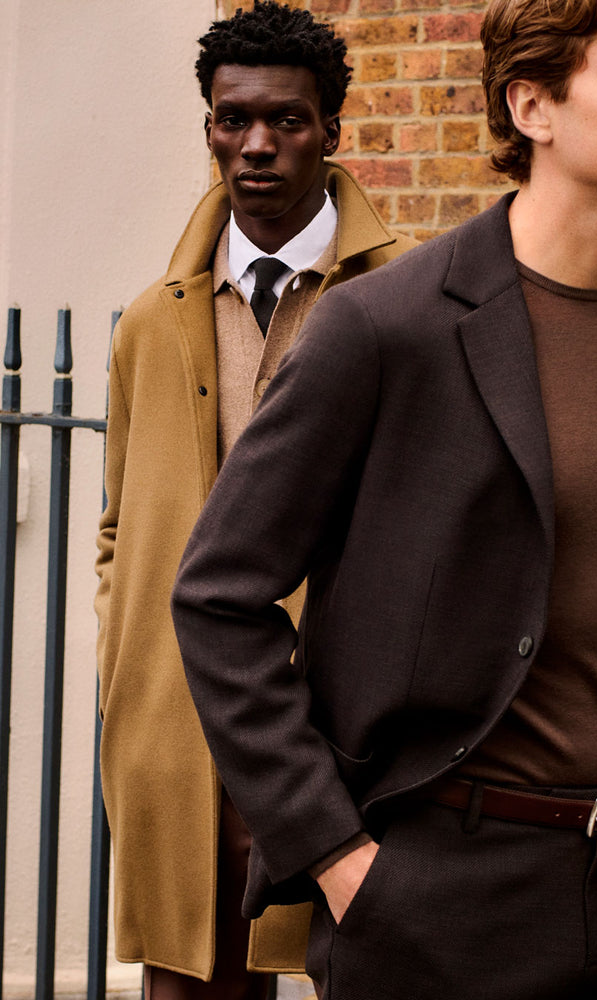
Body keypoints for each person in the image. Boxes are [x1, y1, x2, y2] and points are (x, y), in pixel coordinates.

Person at [170, 0, 597, 996]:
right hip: (427, 898)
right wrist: (337, 855)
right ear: (531, 106)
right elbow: (216, 595)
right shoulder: (387, 326)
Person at [94, 3, 414, 997]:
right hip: (179, 732)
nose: (257, 145)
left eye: (286, 119)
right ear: (210, 128)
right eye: (233, 120)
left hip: (344, 735)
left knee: (367, 975)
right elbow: (118, 528)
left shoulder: (408, 306)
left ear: (330, 129)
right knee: (191, 986)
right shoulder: (150, 323)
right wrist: (124, 668)